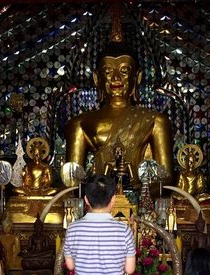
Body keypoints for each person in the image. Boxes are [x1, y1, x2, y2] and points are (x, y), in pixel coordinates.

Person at [65, 42, 173, 187]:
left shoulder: (155, 121)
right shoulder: (80, 123)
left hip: (138, 200)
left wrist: (139, 190)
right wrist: (96, 194)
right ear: (97, 78)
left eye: (124, 71)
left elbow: (165, 179)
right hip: (97, 200)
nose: (116, 77)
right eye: (108, 71)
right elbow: (71, 181)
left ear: (137, 77)